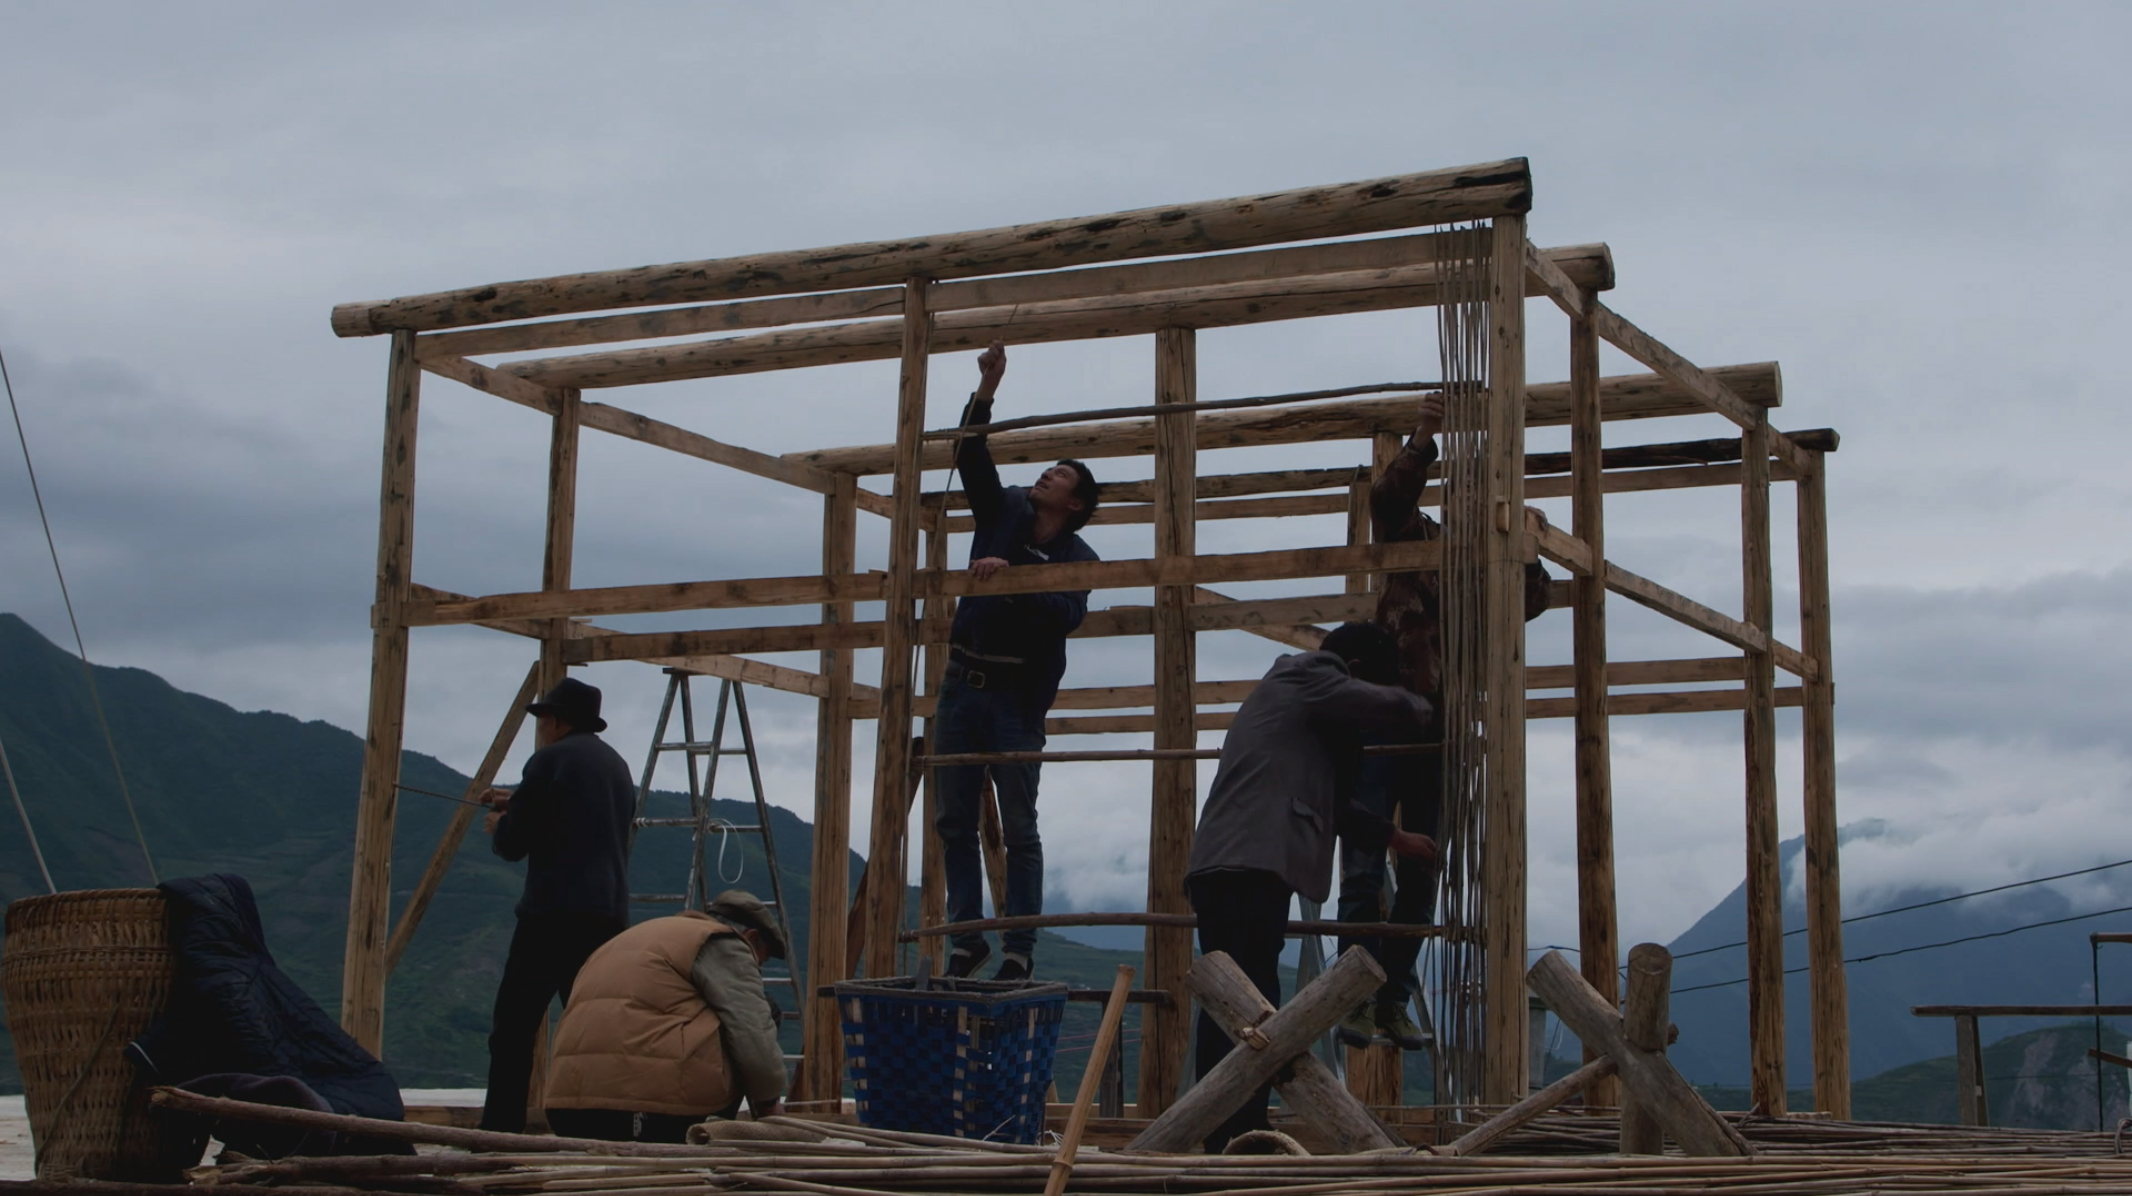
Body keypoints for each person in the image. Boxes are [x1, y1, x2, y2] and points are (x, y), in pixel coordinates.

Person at [1335, 393, 1554, 1051]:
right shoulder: (1415, 535)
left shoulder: (1492, 565)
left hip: (1442, 729)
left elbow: (1531, 602)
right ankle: (1352, 994)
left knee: (1423, 870)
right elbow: (1386, 501)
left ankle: (1392, 998)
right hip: (1382, 716)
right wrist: (1424, 433)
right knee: (1366, 864)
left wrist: (1530, 548)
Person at [1184, 622, 1439, 1154]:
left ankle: (1234, 1127)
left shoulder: (1309, 716)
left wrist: (1394, 837)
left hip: (1243, 864)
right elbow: (1394, 708)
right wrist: (1427, 703)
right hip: (1245, 864)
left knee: (1247, 1001)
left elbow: (1338, 806)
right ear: (1358, 671)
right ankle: (1226, 1132)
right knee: (1245, 1006)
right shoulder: (1307, 675)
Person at [933, 340, 1101, 983]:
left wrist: (1016, 572)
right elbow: (970, 456)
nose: (1045, 476)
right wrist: (987, 388)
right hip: (963, 679)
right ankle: (968, 935)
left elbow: (1065, 613)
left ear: (1076, 503)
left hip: (1016, 697)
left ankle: (1019, 948)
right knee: (954, 817)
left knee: (1020, 824)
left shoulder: (1080, 555)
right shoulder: (1003, 507)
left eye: (1059, 476)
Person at [477, 676, 636, 1134]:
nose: (541, 728)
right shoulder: (616, 766)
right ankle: (603, 1129)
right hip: (606, 916)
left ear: (558, 721)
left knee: (513, 1031)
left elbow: (515, 844)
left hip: (551, 916)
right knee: (593, 1031)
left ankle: (500, 1133)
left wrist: (500, 822)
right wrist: (519, 801)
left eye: (544, 719)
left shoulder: (548, 759)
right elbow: (576, 817)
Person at [544, 890, 788, 1142]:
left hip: (566, 1113)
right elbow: (752, 1032)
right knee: (763, 1011)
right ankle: (712, 1136)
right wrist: (769, 1105)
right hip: (646, 1118)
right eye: (760, 962)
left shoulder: (634, 938)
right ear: (751, 937)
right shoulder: (721, 941)